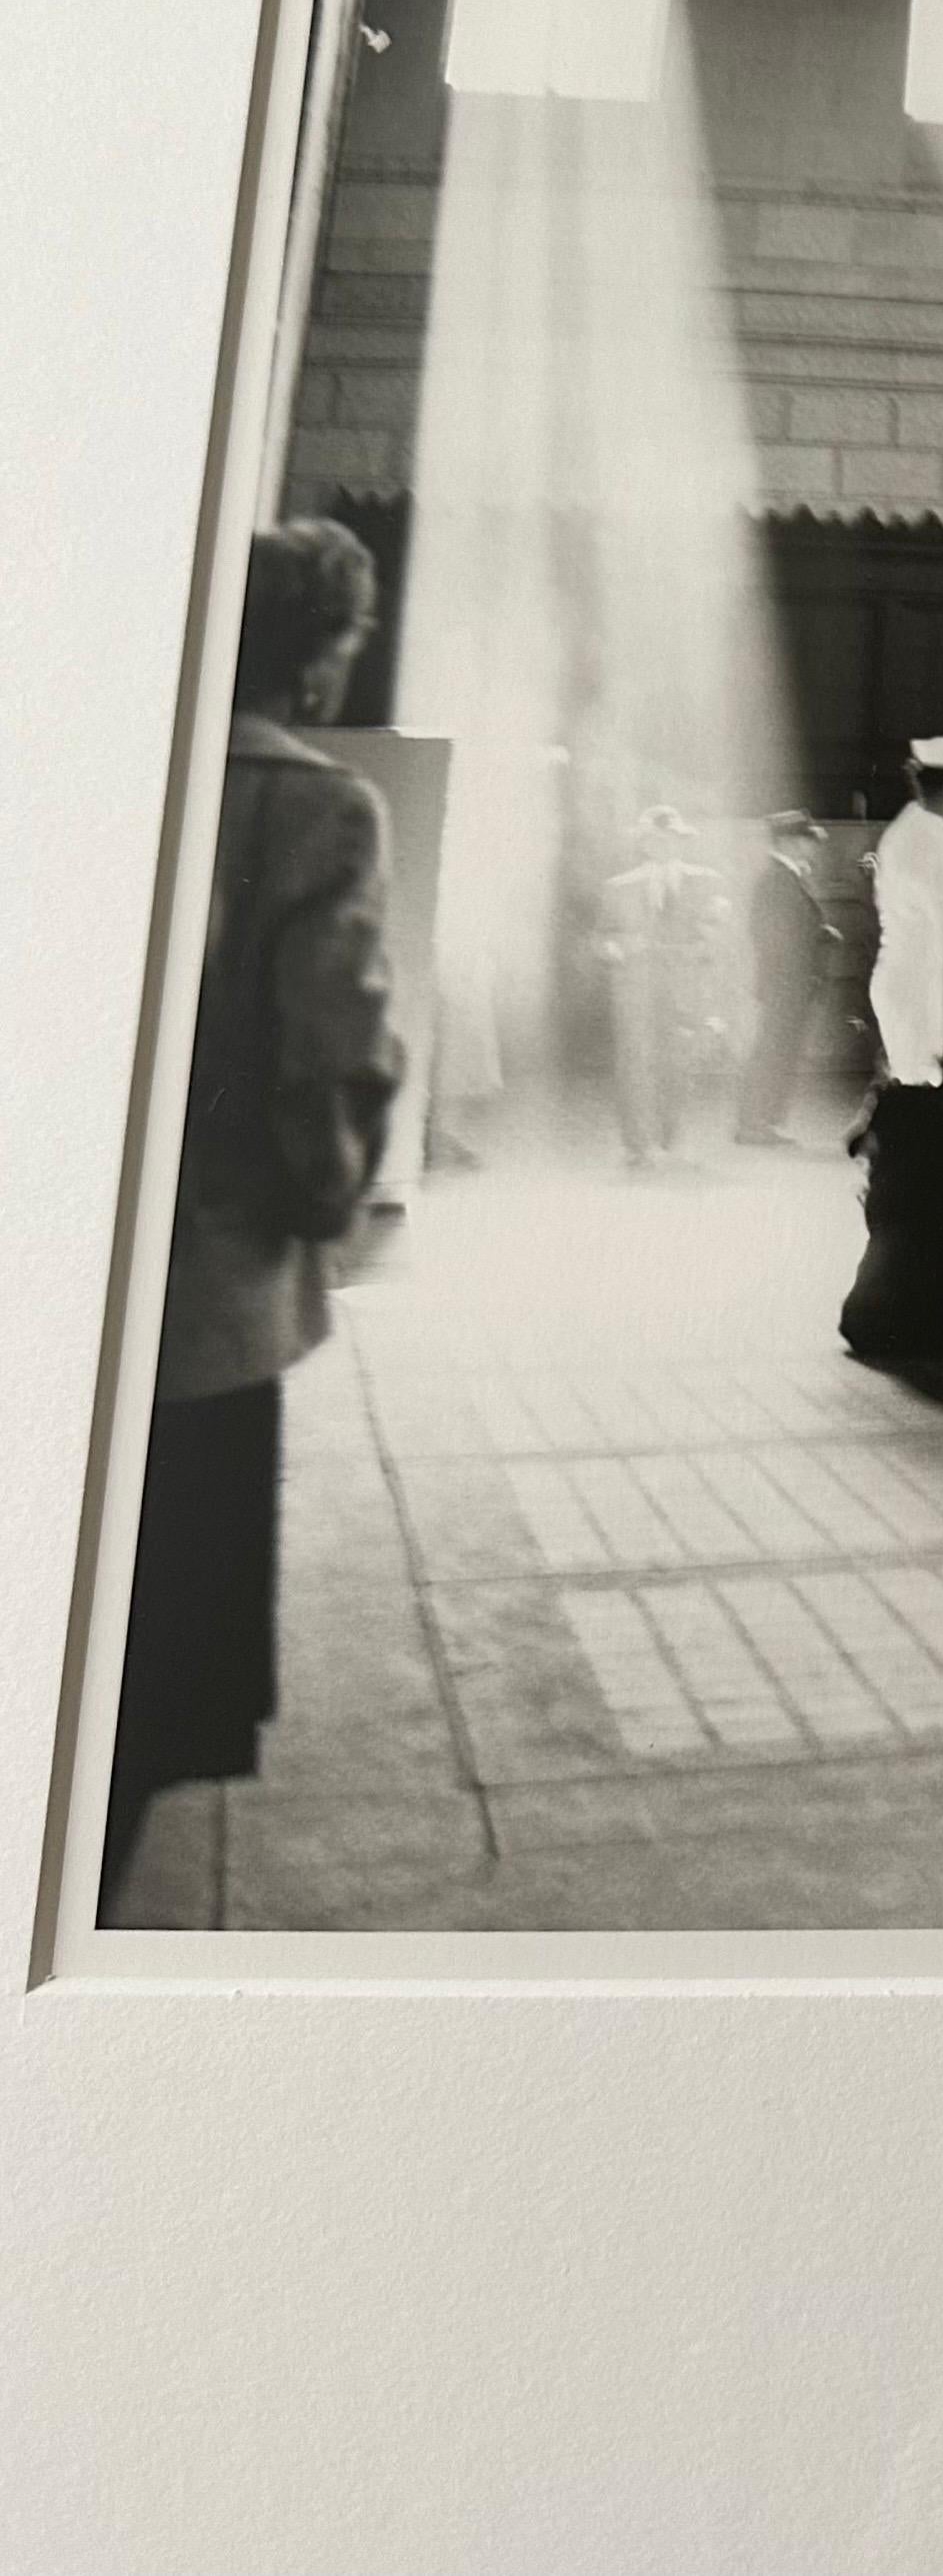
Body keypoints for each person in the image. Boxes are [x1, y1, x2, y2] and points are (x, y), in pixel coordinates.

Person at [103, 520, 403, 1916]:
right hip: (196, 1281)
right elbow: (325, 1049)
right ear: (320, 649)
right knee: (146, 1655)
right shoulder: (314, 803)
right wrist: (328, 1191)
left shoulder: (96, 751)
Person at [597, 807, 729, 1166]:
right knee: (634, 1063)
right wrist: (619, 947)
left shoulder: (707, 882)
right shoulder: (617, 887)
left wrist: (703, 950)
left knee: (678, 1063)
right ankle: (639, 1144)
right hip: (635, 990)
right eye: (656, 839)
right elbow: (600, 940)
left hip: (686, 988)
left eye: (673, 839)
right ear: (643, 843)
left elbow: (719, 935)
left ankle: (667, 1135)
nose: (665, 845)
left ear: (683, 841)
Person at [867, 739, 943, 1087]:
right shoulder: (936, 846)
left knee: (915, 1096)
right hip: (925, 990)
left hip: (910, 981)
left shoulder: (913, 830)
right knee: (927, 1102)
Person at [735, 810, 841, 1147]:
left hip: (790, 982)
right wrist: (818, 938)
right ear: (787, 841)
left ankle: (765, 1121)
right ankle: (754, 1123)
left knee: (781, 1050)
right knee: (773, 1051)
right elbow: (773, 935)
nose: (812, 847)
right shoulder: (777, 878)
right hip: (786, 982)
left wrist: (819, 932)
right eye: (807, 840)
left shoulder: (786, 876)